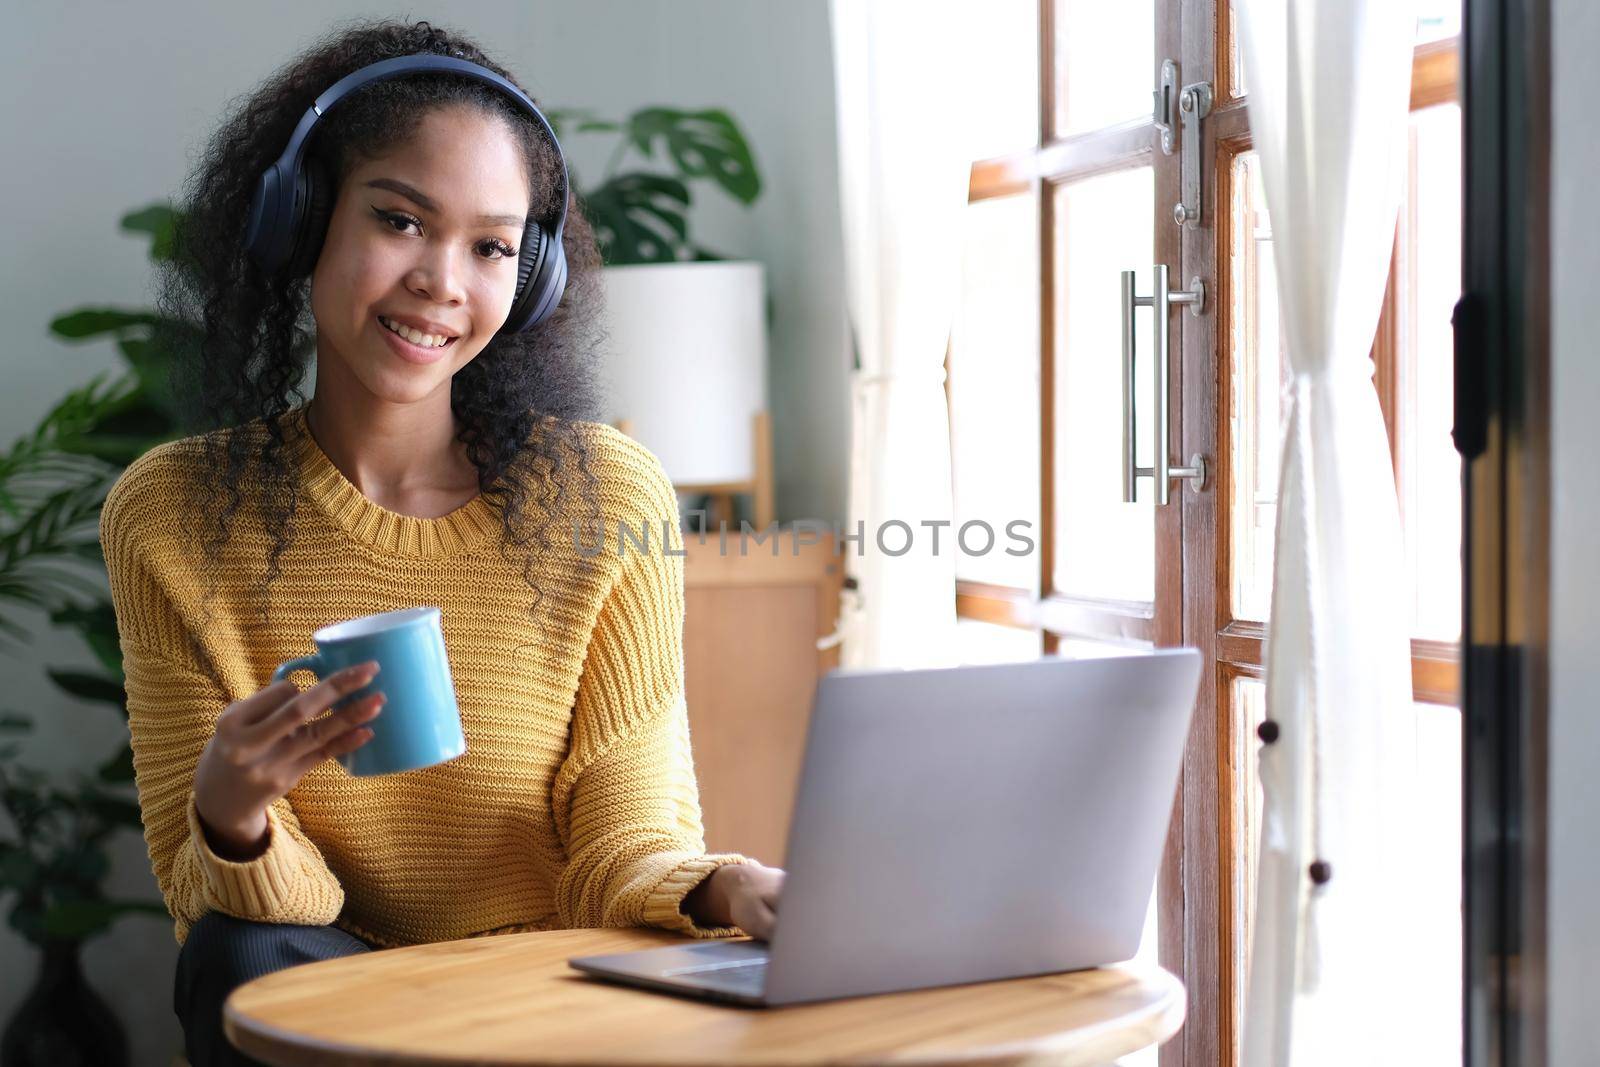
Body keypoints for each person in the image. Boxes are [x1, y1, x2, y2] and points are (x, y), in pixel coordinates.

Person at [96, 18, 784, 1067]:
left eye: (491, 246)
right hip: (328, 998)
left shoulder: (603, 493)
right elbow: (238, 919)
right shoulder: (176, 513)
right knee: (237, 951)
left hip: (553, 1001)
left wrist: (726, 882)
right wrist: (233, 815)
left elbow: (623, 845)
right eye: (402, 220)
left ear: (531, 275)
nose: (443, 280)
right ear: (302, 222)